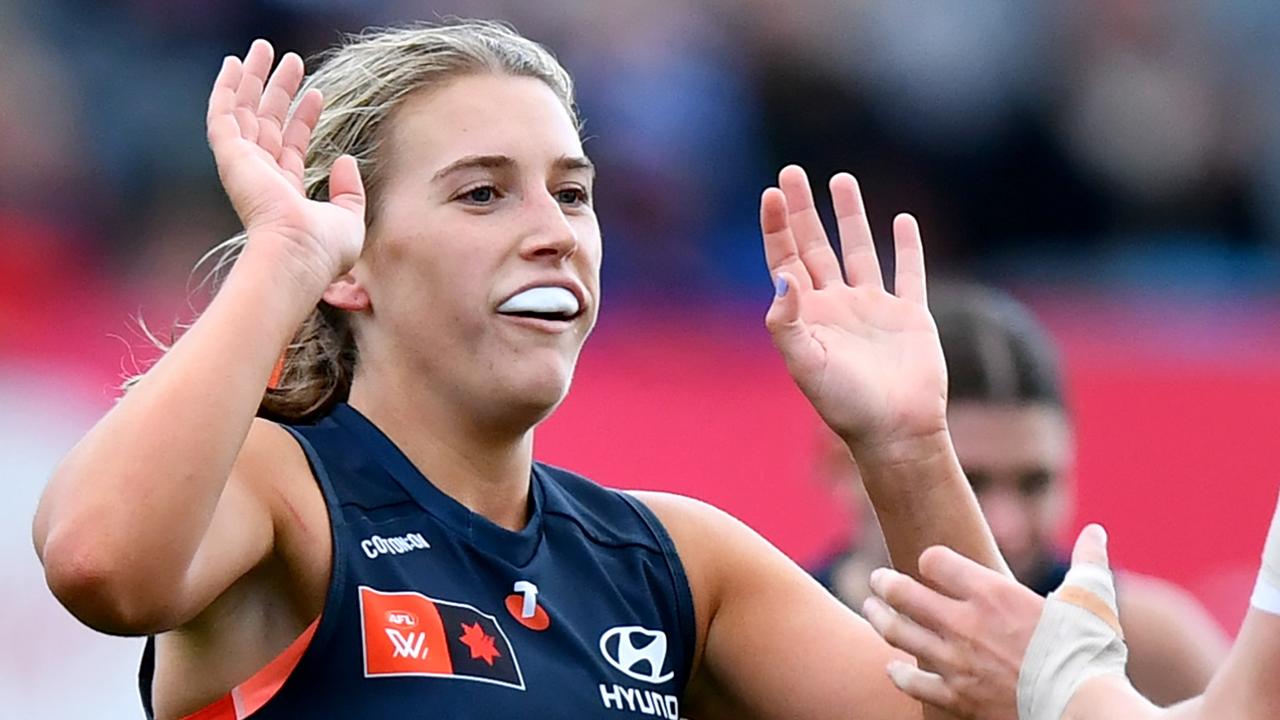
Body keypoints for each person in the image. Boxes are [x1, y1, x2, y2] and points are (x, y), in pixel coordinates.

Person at [32, 21, 1005, 719]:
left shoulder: (673, 563)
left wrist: (907, 446)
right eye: (484, 193)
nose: (553, 233)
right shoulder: (281, 487)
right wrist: (281, 258)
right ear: (353, 263)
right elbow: (98, 567)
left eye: (572, 193)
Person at [809, 284, 1227, 705]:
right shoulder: (779, 638)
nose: (1005, 527)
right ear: (845, 466)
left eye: (1035, 483)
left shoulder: (1146, 648)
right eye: (967, 482)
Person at [861, 504, 1280, 720]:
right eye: (975, 479)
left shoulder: (1150, 630)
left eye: (1034, 482)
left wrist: (1066, 688)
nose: (1006, 524)